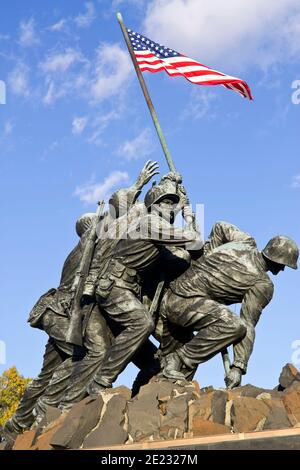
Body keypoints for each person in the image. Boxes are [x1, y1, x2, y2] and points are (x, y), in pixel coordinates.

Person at [79, 172, 201, 398]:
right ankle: (100, 381)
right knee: (142, 324)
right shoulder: (150, 223)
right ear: (153, 205)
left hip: (129, 290)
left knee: (156, 357)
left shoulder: (159, 229)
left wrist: (183, 208)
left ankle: (142, 395)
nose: (170, 206)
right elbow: (194, 240)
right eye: (165, 202)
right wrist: (188, 214)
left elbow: (186, 255)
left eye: (172, 203)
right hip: (114, 286)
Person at [160, 221, 299, 388]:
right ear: (277, 261)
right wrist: (238, 367)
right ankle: (178, 357)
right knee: (233, 325)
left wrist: (208, 255)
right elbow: (247, 324)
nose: (282, 270)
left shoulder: (245, 242)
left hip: (172, 299)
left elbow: (220, 227)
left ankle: (161, 387)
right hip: (184, 306)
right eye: (284, 265)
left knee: (172, 375)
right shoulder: (263, 285)